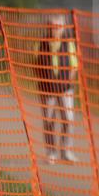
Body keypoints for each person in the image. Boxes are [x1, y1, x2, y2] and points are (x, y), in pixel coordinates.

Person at [37, 14, 78, 163]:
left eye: (58, 27)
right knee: (49, 121)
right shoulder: (42, 43)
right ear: (49, 27)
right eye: (53, 27)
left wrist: (67, 82)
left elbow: (74, 65)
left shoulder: (68, 43)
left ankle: (66, 151)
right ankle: (51, 153)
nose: (56, 30)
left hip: (65, 88)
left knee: (68, 119)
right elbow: (36, 64)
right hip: (47, 88)